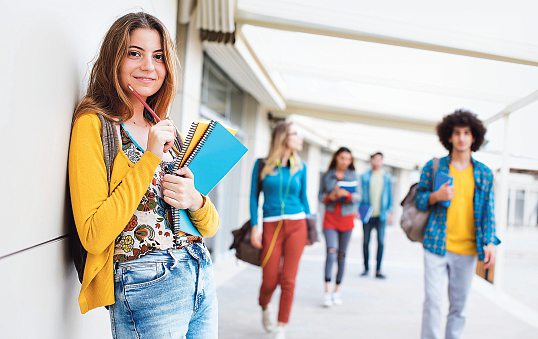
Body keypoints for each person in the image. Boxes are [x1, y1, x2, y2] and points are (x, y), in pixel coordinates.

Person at [68, 12, 220, 338]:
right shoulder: (95, 124)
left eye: (159, 56)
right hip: (146, 282)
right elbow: (94, 233)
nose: (149, 66)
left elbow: (210, 225)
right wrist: (150, 158)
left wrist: (195, 199)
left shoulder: (166, 129)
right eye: (134, 53)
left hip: (198, 269)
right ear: (114, 59)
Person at [416, 110, 500, 339]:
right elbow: (419, 200)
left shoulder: (483, 173)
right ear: (449, 137)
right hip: (435, 245)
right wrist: (436, 196)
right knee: (433, 302)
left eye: (466, 133)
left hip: (467, 250)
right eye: (457, 133)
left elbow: (488, 212)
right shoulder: (435, 167)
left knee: (459, 308)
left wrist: (490, 242)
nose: (461, 138)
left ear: (474, 138)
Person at [249, 121, 311, 339]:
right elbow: (253, 198)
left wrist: (311, 229)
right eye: (296, 134)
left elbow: (304, 199)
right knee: (269, 279)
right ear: (284, 137)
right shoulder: (262, 164)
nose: (300, 138)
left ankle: (281, 325)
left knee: (289, 279)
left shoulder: (301, 167)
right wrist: (255, 226)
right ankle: (264, 304)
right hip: (271, 224)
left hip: (297, 224)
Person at [319, 147, 361, 307]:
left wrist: (347, 195)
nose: (345, 161)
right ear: (336, 158)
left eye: (348, 159)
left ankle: (337, 290)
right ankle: (327, 291)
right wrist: (330, 196)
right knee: (331, 253)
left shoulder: (354, 176)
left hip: (347, 220)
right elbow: (320, 196)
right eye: (342, 158)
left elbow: (359, 196)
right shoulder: (327, 175)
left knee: (341, 255)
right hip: (330, 219)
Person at [360, 152, 393, 279]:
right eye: (375, 159)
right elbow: (361, 194)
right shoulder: (364, 176)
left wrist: (390, 211)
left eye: (380, 160)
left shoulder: (386, 177)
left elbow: (389, 195)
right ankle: (366, 268)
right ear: (371, 161)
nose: (377, 162)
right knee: (366, 242)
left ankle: (378, 269)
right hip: (367, 213)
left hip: (381, 215)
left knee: (381, 242)